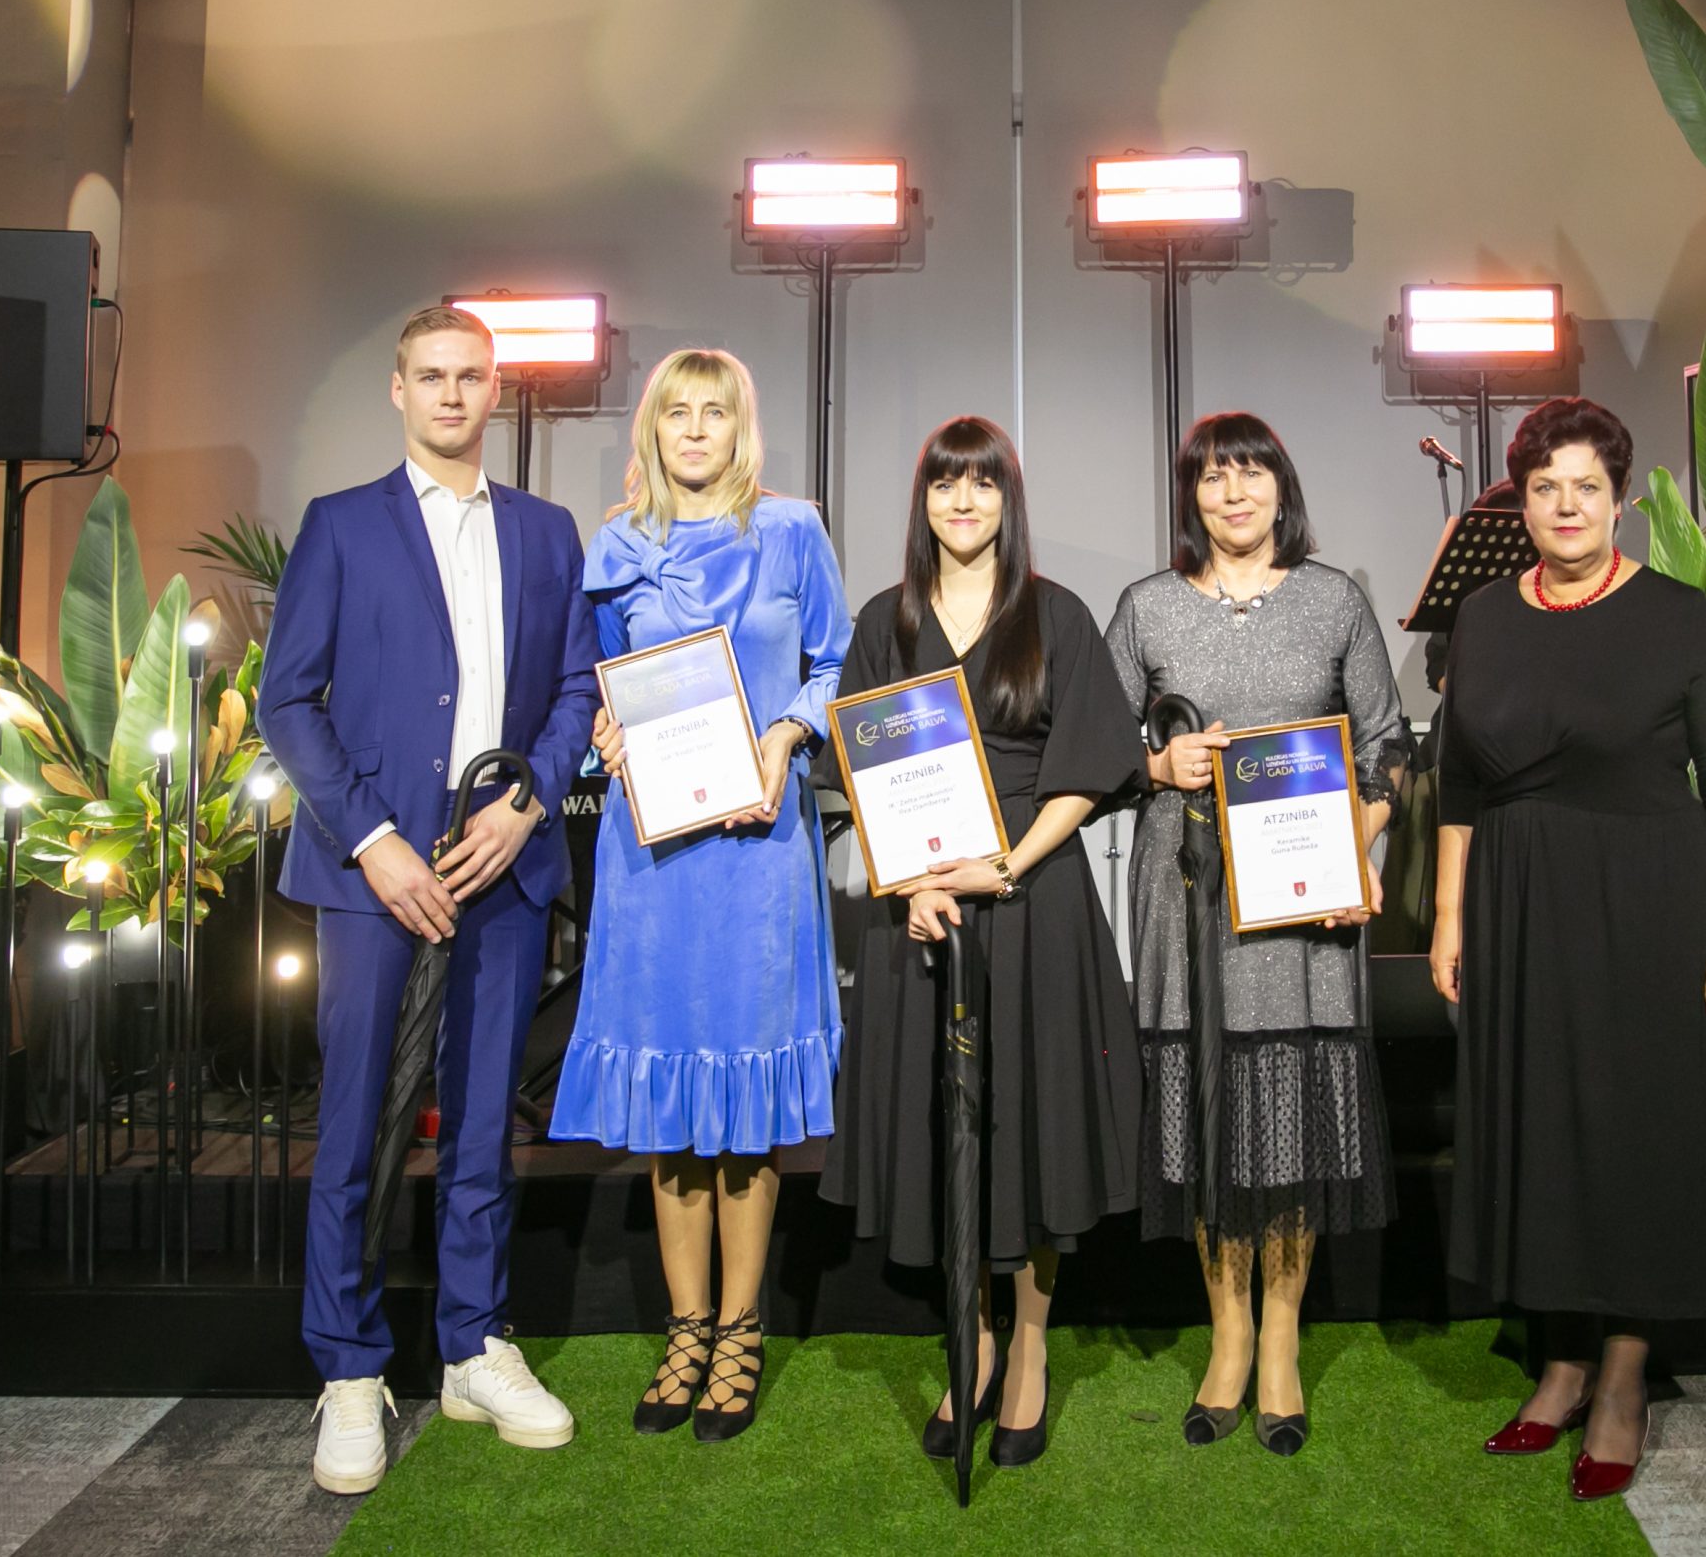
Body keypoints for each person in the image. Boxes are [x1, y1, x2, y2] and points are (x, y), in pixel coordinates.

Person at [262, 304, 600, 1493]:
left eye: (472, 376)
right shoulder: (341, 525)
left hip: (502, 868)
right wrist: (374, 842)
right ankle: (350, 1367)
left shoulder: (548, 532)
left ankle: (472, 1345)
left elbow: (576, 690)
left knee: (482, 1121)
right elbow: (287, 701)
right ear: (399, 390)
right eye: (432, 375)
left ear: (495, 392)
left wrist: (526, 806)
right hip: (376, 877)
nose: (453, 393)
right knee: (356, 1120)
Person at [1432, 397, 1706, 1502]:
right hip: (1520, 903)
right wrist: (1449, 916)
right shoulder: (1484, 615)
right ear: (1519, 503)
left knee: (1629, 1130)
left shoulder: (1676, 614)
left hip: (1648, 901)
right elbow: (1459, 783)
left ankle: (1620, 1375)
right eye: (1544, 487)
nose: (1566, 506)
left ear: (1618, 500)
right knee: (1543, 1128)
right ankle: (1561, 1360)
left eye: (1587, 486)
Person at [820, 416, 1144, 1470]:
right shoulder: (886, 621)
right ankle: (977, 1338)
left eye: (983, 484)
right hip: (923, 912)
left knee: (1030, 1125)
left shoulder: (1058, 615)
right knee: (942, 1135)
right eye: (944, 485)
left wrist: (1003, 865)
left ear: (1009, 498)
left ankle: (1031, 1348)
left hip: (1033, 901)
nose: (963, 503)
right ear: (922, 501)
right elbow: (859, 772)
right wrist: (913, 881)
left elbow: (1088, 768)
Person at [550, 347, 849, 1443]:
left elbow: (836, 664)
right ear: (653, 427)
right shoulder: (617, 544)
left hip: (759, 850)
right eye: (674, 410)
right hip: (653, 858)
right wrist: (607, 731)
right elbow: (597, 685)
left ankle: (740, 1329)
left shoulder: (793, 530)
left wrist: (785, 734)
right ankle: (686, 1330)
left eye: (712, 411)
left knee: (746, 1111)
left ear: (739, 427)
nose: (692, 428)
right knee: (671, 1111)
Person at [1105, 411, 1411, 1457]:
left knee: (1292, 1116)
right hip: (1183, 895)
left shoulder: (1334, 602)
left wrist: (1354, 851)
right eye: (1212, 477)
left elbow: (1388, 747)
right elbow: (1094, 754)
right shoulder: (1145, 607)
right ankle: (1226, 1332)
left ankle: (1280, 1337)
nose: (1233, 493)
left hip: (1303, 903)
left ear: (1283, 488)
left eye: (1251, 474)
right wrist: (1159, 766)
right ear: (1190, 496)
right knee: (1204, 1111)